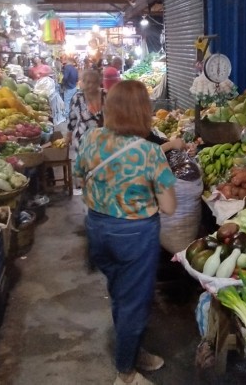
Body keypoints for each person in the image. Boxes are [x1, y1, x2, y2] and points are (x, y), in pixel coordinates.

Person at [73, 80, 175, 385]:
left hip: (98, 229)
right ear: (144, 111)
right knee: (135, 303)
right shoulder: (150, 153)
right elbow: (169, 207)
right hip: (135, 236)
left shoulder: (92, 138)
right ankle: (126, 373)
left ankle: (133, 351)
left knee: (121, 293)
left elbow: (79, 177)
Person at [66, 69, 105, 164]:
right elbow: (72, 118)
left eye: (93, 82)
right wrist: (68, 135)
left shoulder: (106, 95)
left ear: (98, 83)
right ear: (81, 82)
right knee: (84, 170)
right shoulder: (77, 98)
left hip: (104, 140)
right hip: (82, 139)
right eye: (86, 82)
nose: (90, 85)